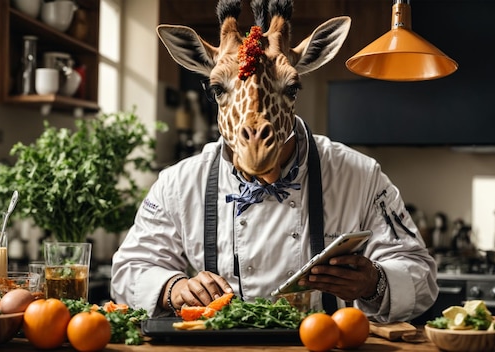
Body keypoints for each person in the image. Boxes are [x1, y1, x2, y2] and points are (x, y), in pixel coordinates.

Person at [111, 0, 438, 324]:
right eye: (220, 91)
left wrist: (374, 282)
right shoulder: (179, 184)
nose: (256, 128)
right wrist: (173, 288)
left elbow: (420, 276)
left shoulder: (360, 176)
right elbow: (129, 271)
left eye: (289, 89)